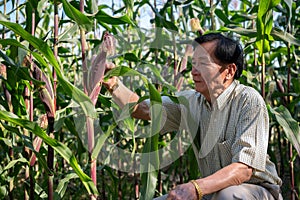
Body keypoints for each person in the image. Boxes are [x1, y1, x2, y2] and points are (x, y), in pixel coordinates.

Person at [103, 33, 283, 200]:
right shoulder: (190, 102)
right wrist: (114, 85)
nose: (194, 71)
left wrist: (195, 187)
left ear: (229, 71)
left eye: (203, 64)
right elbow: (140, 109)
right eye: (194, 63)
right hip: (211, 191)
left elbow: (244, 169)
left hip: (256, 190)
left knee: (229, 196)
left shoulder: (248, 100)